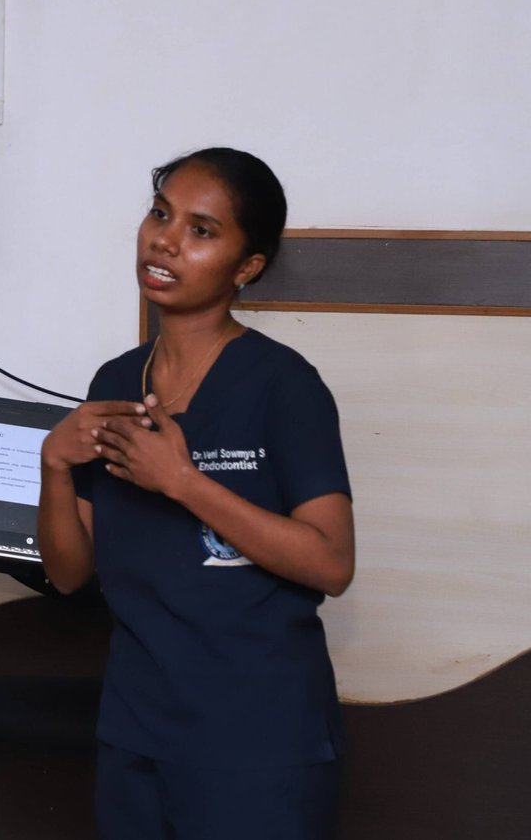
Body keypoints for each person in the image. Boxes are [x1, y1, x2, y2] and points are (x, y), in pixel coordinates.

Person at [37, 147, 354, 840]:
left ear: (247, 267)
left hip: (259, 738)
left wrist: (182, 482)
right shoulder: (115, 382)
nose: (166, 241)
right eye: (160, 215)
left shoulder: (284, 385)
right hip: (136, 731)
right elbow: (68, 573)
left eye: (201, 231)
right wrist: (53, 465)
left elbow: (332, 564)